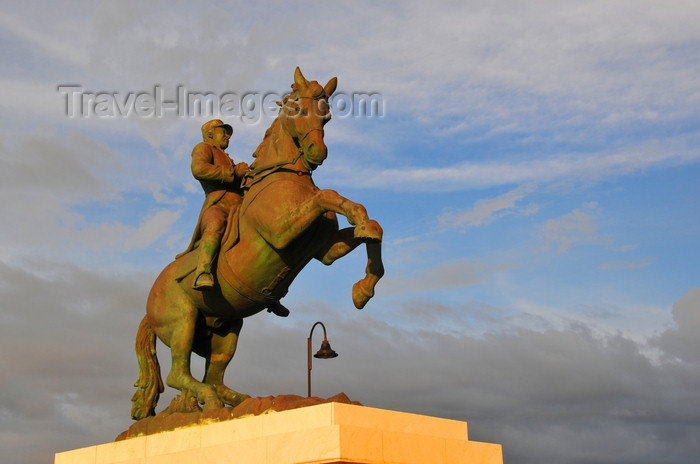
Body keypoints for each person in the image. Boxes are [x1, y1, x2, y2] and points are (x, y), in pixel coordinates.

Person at [181, 119, 289, 317]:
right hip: (218, 204)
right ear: (211, 134)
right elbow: (199, 170)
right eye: (223, 132)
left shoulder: (227, 157)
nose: (228, 136)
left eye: (228, 133)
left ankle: (274, 295)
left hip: (239, 206)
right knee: (215, 225)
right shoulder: (203, 148)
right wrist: (233, 173)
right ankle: (203, 271)